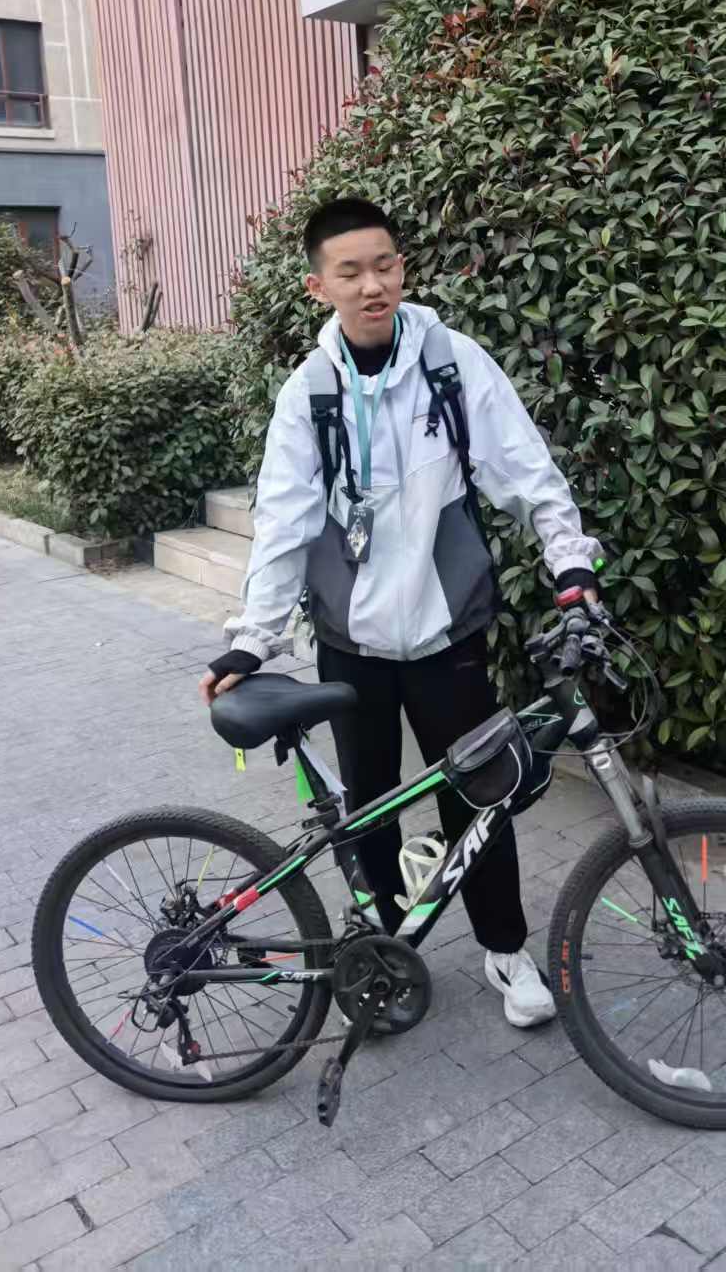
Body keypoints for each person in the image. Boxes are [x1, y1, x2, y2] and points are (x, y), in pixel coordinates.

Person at [200, 197, 602, 1027]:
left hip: (447, 632)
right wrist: (252, 641)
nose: (371, 285)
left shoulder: (451, 364)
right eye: (349, 272)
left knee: (480, 796)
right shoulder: (309, 393)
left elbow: (525, 469)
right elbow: (283, 525)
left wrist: (569, 561)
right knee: (369, 804)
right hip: (351, 644)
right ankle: (381, 957)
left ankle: (504, 948)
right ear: (319, 287)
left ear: (402, 269)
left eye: (383, 265)